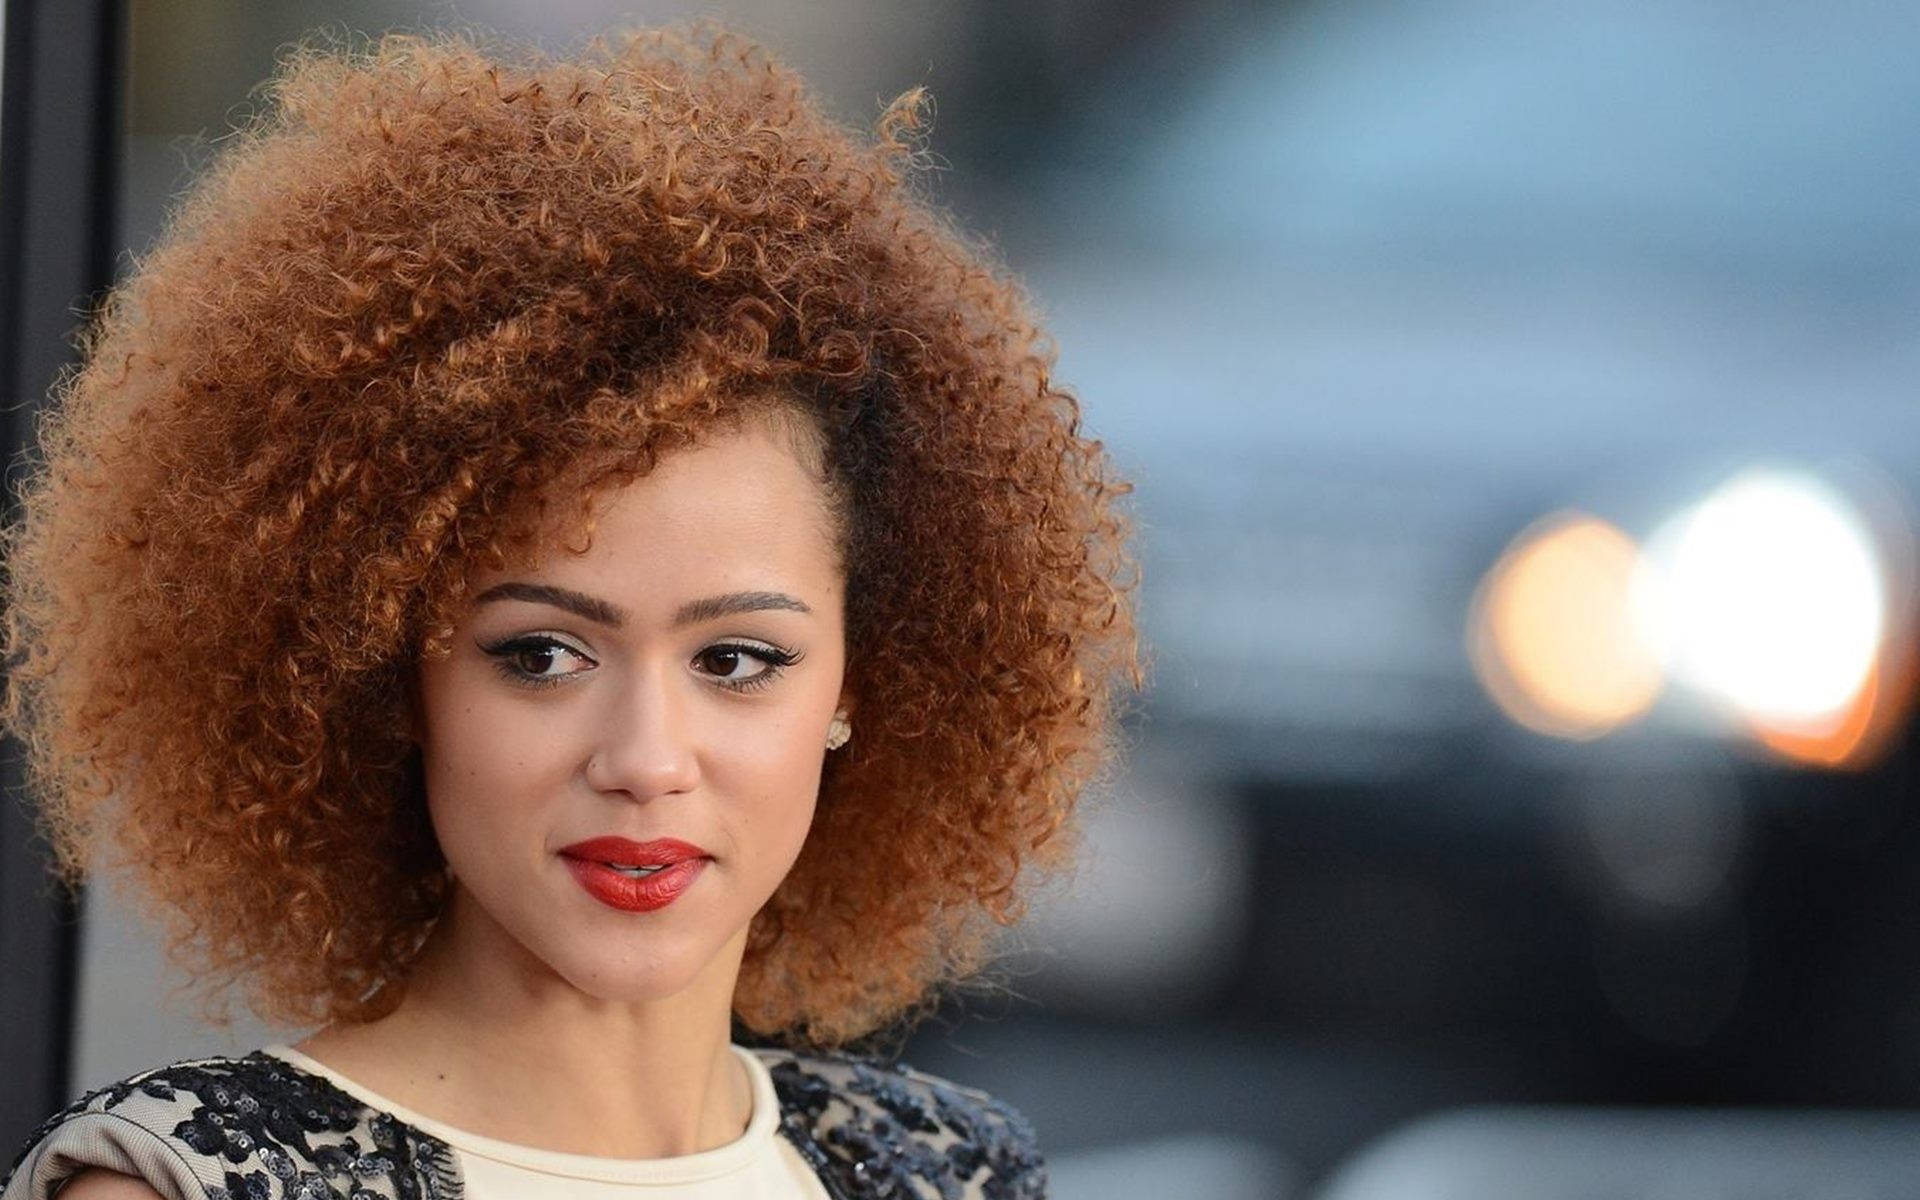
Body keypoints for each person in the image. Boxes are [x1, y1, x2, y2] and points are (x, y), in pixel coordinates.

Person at [0, 23, 1139, 1200]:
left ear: (858, 683)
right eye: (543, 655)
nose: (645, 761)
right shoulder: (187, 1186)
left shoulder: (946, 1171)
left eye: (737, 660)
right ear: (392, 681)